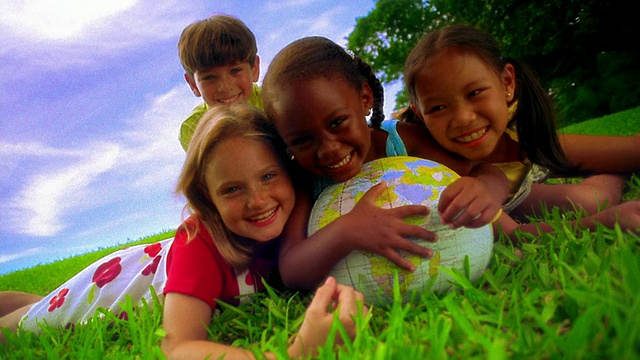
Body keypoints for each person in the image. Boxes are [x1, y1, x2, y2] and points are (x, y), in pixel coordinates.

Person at [0, 103, 367, 358]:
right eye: (232, 189)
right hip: (109, 289)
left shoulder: (293, 214)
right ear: (206, 198)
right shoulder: (201, 244)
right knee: (24, 324)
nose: (258, 200)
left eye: (268, 176)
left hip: (146, 262)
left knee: (36, 301)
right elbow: (177, 347)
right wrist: (296, 352)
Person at [260, 36, 510, 289]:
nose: (329, 149)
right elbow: (291, 270)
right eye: (303, 140)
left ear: (365, 98)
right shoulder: (303, 180)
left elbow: (480, 170)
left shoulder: (401, 141)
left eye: (337, 123)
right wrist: (348, 230)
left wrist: (487, 190)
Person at [400, 24, 640, 236]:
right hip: (514, 195)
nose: (463, 119)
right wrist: (602, 222)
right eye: (438, 108)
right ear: (420, 114)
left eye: (474, 93)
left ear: (507, 83)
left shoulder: (521, 133)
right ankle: (621, 173)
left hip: (527, 153)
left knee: (632, 150)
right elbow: (514, 233)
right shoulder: (439, 172)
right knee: (588, 201)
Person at [177, 14, 263, 151]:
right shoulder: (193, 130)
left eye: (235, 71)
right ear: (193, 84)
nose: (225, 86)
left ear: (254, 69)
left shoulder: (273, 103)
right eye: (210, 77)